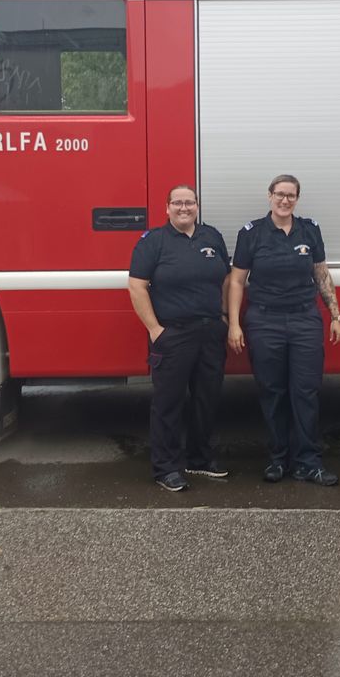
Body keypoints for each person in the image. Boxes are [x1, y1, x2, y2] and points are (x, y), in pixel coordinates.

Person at [227, 175, 340, 486]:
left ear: (297, 199)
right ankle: (278, 459)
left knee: (305, 392)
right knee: (273, 392)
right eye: (279, 194)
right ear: (269, 196)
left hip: (304, 319)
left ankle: (309, 462)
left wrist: (335, 313)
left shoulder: (309, 230)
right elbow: (237, 281)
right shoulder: (251, 233)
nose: (285, 200)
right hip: (265, 322)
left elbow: (321, 273)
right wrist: (235, 323)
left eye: (291, 195)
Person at [128, 185, 231, 492]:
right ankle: (166, 467)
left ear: (197, 206)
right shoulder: (153, 242)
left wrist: (224, 317)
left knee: (206, 398)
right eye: (177, 203)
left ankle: (199, 458)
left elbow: (225, 279)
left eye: (189, 202)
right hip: (173, 334)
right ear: (167, 207)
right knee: (168, 403)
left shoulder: (212, 237)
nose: (184, 208)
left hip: (211, 331)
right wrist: (155, 330)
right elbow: (136, 286)